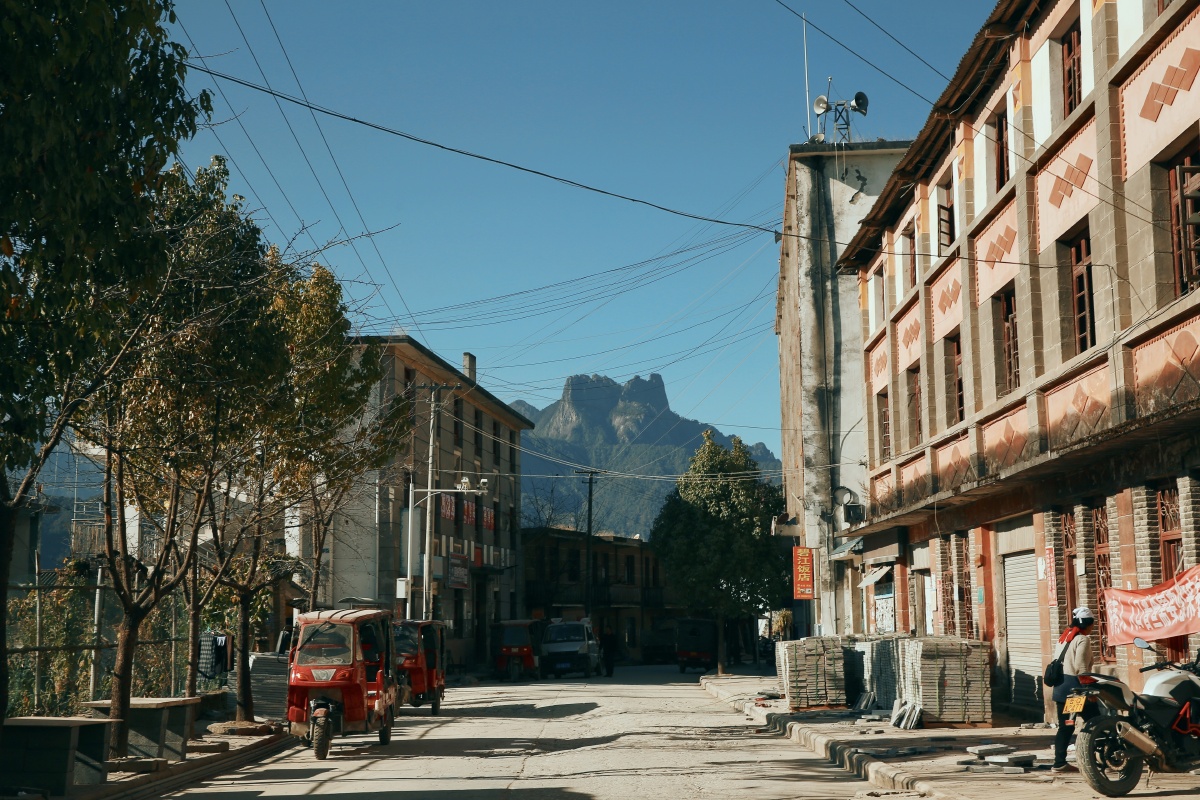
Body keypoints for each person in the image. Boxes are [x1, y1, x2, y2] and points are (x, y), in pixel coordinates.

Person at [1051, 606, 1098, 772]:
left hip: (1061, 689)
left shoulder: (1064, 638)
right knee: (1096, 722)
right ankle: (1101, 760)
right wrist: (1089, 690)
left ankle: (1059, 762)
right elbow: (1080, 667)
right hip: (1075, 692)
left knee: (1067, 725)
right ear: (1088, 624)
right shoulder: (1082, 640)